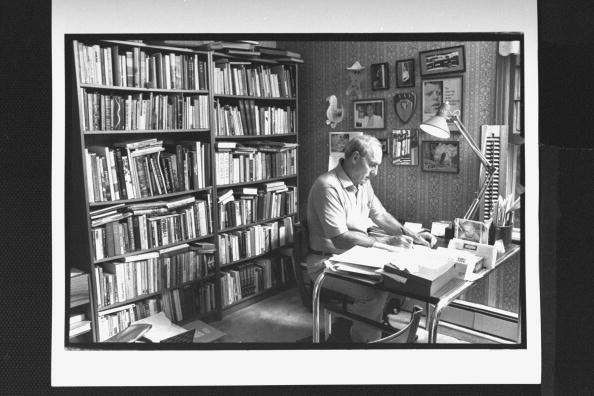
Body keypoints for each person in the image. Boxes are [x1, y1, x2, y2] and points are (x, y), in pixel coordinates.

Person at [306, 134, 436, 342]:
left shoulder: (362, 183)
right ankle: (363, 341)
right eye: (373, 165)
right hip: (326, 261)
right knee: (374, 290)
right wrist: (385, 243)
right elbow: (339, 238)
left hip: (356, 256)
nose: (375, 172)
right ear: (355, 157)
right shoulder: (327, 186)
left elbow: (380, 215)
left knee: (403, 275)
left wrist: (410, 234)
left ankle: (360, 325)